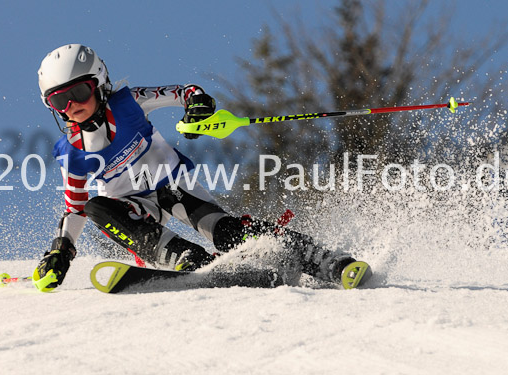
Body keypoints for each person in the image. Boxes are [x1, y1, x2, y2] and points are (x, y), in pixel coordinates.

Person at [33, 43, 359, 291]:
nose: (71, 105)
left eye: (78, 92)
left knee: (227, 232)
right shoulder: (71, 151)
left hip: (174, 186)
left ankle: (328, 261)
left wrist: (198, 107)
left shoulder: (128, 103)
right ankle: (185, 258)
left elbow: (185, 92)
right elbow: (73, 210)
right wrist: (61, 251)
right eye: (59, 101)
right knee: (94, 207)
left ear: (100, 83)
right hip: (133, 211)